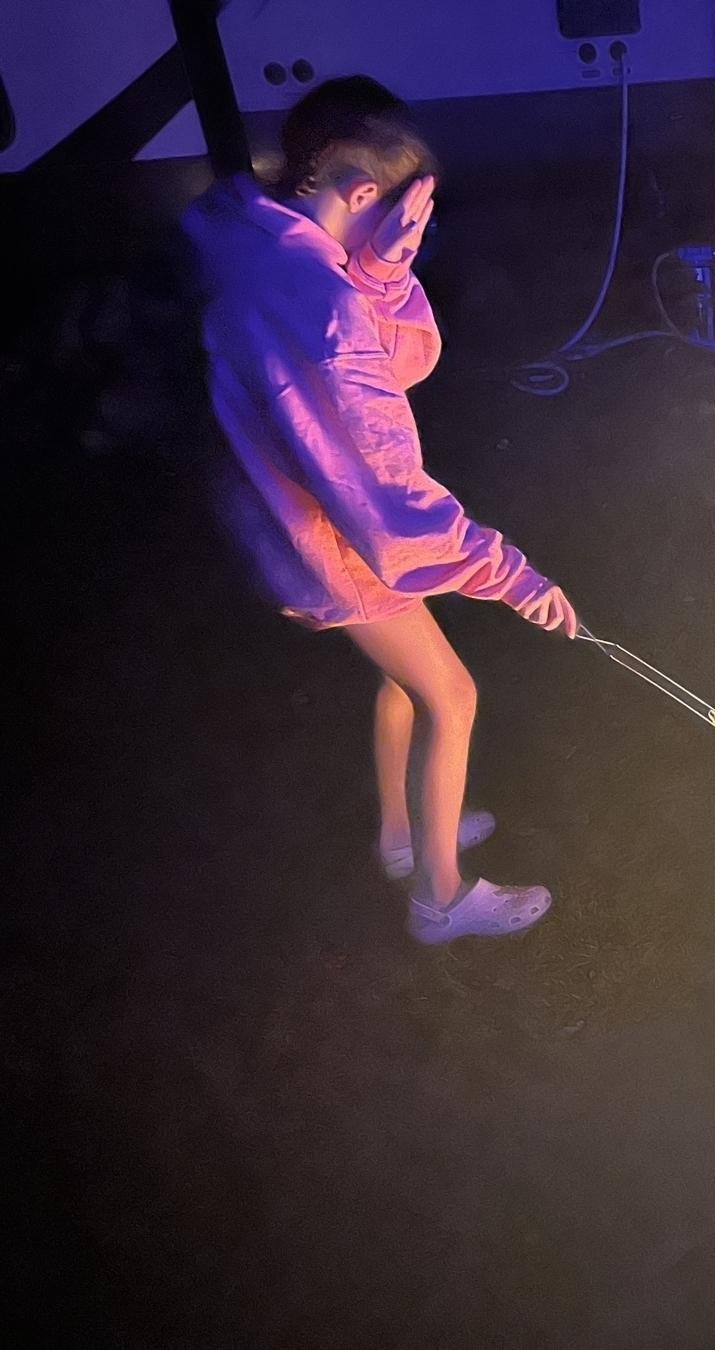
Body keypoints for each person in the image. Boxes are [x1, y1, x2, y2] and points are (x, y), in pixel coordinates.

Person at [183, 76, 573, 944]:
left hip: (283, 517)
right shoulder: (315, 302)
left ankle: (402, 838)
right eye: (397, 217)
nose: (409, 236)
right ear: (361, 191)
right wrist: (512, 576)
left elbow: (379, 361)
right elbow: (381, 484)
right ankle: (440, 897)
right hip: (329, 537)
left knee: (405, 681)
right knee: (453, 694)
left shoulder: (257, 237)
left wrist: (382, 266)